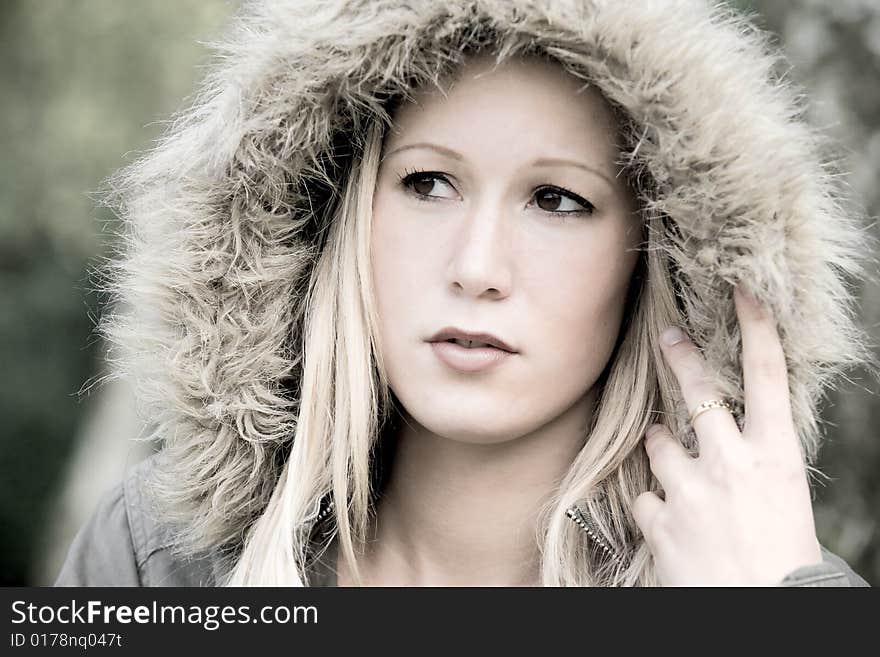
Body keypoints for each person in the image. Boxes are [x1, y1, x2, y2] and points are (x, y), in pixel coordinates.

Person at [55, 0, 873, 587]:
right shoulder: (158, 559)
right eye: (429, 182)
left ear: (655, 257)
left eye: (558, 199)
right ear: (334, 215)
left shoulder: (764, 581)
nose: (477, 266)